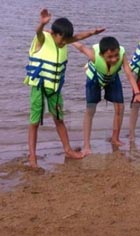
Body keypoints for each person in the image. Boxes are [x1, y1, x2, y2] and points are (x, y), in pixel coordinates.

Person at [24, 9, 105, 167]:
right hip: (39, 86)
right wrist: (42, 23)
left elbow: (80, 36)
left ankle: (68, 150)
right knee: (34, 122)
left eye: (66, 40)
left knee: (59, 119)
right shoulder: (43, 38)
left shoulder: (64, 40)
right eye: (62, 39)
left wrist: (94, 32)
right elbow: (38, 31)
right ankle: (32, 156)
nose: (63, 42)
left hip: (54, 89)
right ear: (54, 34)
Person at [72, 37, 140, 156]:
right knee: (90, 110)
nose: (114, 59)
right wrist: (66, 39)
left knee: (120, 107)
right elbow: (81, 47)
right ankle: (86, 145)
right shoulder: (95, 56)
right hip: (94, 78)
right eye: (110, 57)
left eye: (116, 55)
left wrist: (137, 93)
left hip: (112, 78)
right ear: (102, 55)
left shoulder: (121, 55)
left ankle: (115, 139)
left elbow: (128, 72)